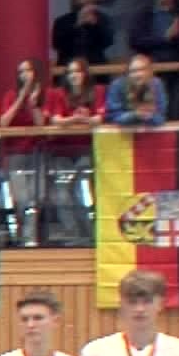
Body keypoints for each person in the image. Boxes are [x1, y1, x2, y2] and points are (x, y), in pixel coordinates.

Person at [42, 57, 104, 245]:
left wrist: (72, 120)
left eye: (77, 71)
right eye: (70, 72)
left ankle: (91, 234)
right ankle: (73, 234)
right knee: (62, 193)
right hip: (62, 150)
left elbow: (100, 119)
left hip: (87, 149)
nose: (73, 76)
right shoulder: (57, 93)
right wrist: (78, 119)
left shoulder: (97, 91)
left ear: (85, 74)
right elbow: (55, 120)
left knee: (83, 191)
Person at [0, 59, 47, 246]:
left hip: (36, 152)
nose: (24, 74)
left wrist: (33, 103)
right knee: (20, 197)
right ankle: (21, 235)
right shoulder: (11, 95)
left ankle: (30, 237)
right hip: (15, 153)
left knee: (36, 197)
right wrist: (21, 97)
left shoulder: (44, 95)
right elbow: (3, 122)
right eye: (20, 72)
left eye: (27, 70)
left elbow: (41, 124)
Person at [51, 0, 114, 73]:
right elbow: (56, 44)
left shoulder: (102, 19)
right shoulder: (61, 21)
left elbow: (108, 42)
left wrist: (95, 25)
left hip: (97, 70)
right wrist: (77, 24)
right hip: (68, 70)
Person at [105, 54, 168, 127]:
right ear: (128, 73)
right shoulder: (117, 85)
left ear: (150, 72)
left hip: (150, 129)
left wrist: (149, 116)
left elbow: (161, 118)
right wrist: (135, 114)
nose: (138, 74)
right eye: (133, 71)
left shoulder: (157, 84)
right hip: (124, 130)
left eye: (142, 70)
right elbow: (114, 117)